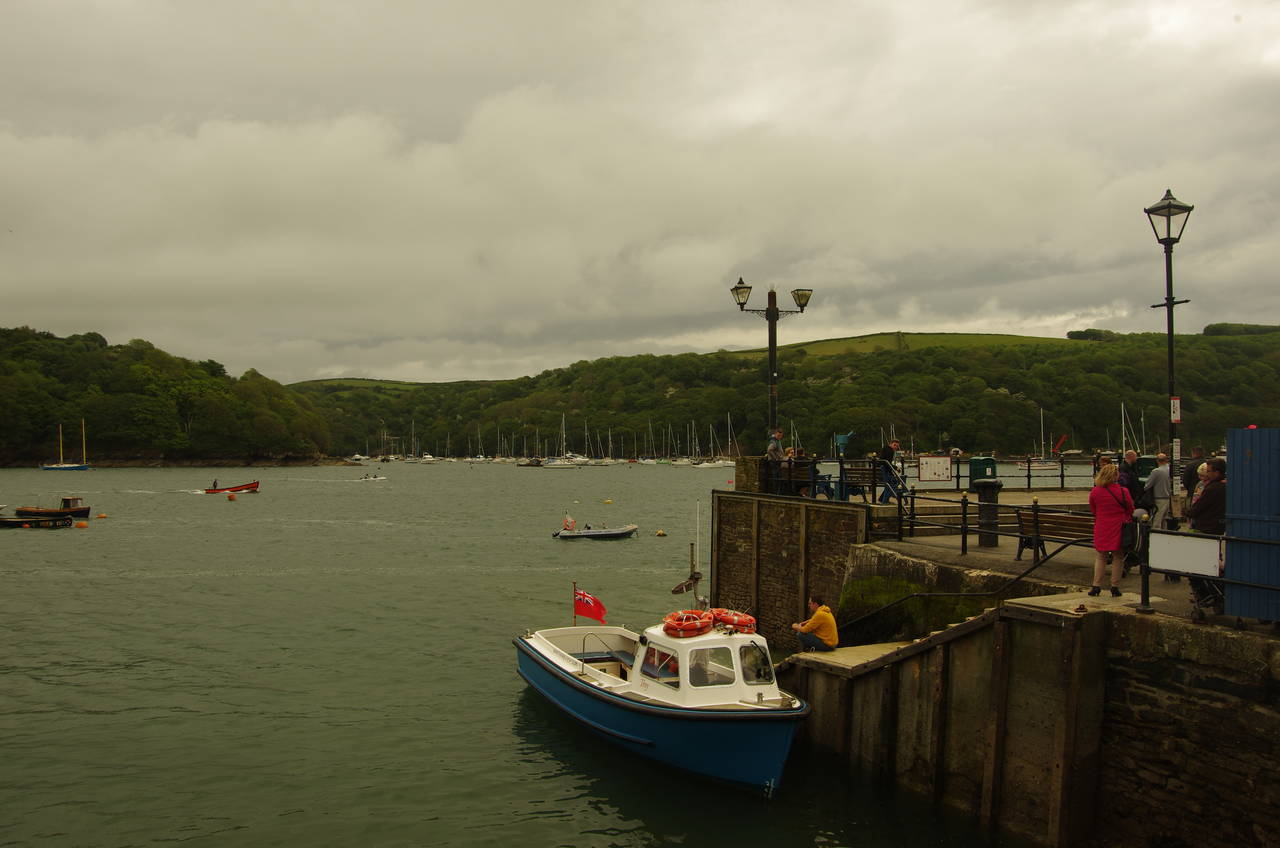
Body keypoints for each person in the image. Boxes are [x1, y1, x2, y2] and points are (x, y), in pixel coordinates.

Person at [1088, 463, 1133, 598]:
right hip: (1118, 526)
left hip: (1102, 526)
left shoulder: (1095, 491)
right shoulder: (1123, 491)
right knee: (1118, 557)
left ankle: (1096, 585)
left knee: (1101, 556)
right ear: (1115, 476)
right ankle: (1114, 586)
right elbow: (1130, 508)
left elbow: (1093, 509)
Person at [1185, 458, 1226, 535]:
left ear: (1216, 473)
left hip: (1207, 527)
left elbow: (1199, 507)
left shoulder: (1212, 488)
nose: (1207, 474)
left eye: (1208, 471)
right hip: (1219, 527)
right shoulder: (1225, 485)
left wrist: (1186, 513)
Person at [1142, 453, 1172, 530]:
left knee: (1157, 521)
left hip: (1158, 498)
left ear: (1157, 461)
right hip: (1168, 498)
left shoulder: (1156, 471)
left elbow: (1147, 486)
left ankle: (1155, 534)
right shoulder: (1170, 470)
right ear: (1166, 460)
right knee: (1165, 521)